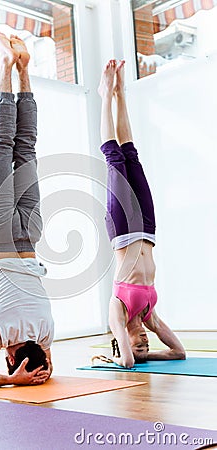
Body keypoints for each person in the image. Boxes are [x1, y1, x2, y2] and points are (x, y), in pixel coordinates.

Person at [0, 32, 54, 389]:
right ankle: (5, 66)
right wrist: (10, 379)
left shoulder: (47, 331)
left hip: (31, 239)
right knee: (0, 147)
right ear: (11, 357)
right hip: (0, 238)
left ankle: (25, 69)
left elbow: (46, 362)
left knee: (27, 149)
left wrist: (35, 368)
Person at [98, 59, 186, 368]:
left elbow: (126, 363)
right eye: (146, 347)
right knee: (132, 157)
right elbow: (179, 353)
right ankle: (120, 95)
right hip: (147, 231)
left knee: (114, 158)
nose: (145, 344)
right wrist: (153, 358)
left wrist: (125, 356)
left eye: (139, 347)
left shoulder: (117, 313)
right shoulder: (150, 314)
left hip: (123, 229)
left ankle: (104, 95)